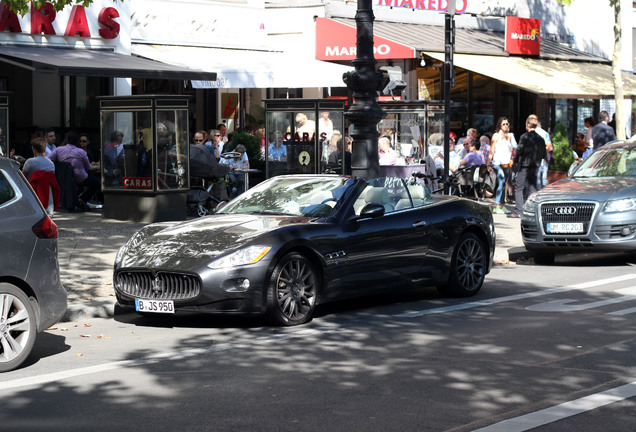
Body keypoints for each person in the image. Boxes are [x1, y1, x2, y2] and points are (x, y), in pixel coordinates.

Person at [48, 130, 100, 209]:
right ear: (77, 142)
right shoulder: (81, 152)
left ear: (67, 140)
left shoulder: (58, 150)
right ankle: (82, 199)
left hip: (64, 178)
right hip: (79, 178)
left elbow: (47, 159)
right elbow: (88, 167)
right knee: (97, 182)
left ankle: (77, 199)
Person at [509, 115, 547, 219]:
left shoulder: (524, 137)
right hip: (535, 165)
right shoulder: (540, 138)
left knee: (518, 187)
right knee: (532, 188)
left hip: (525, 165)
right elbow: (544, 154)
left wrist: (515, 161)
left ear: (528, 125)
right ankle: (532, 212)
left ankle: (518, 211)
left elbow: (519, 150)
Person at [22, 137, 59, 215]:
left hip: (31, 196)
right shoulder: (51, 164)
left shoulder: (30, 162)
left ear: (34, 149)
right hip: (47, 199)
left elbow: (22, 178)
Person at [489, 116, 515, 214]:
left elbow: (511, 149)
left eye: (507, 124)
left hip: (506, 163)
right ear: (499, 125)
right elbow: (492, 150)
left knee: (504, 183)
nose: (505, 126)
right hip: (497, 163)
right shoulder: (496, 136)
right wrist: (488, 163)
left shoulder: (509, 136)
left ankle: (502, 205)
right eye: (503, 124)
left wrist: (512, 159)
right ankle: (496, 205)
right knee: (501, 181)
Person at [529, 115, 552, 191]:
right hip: (542, 160)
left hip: (537, 160)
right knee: (542, 179)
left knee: (539, 180)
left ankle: (543, 193)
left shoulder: (534, 133)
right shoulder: (545, 133)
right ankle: (547, 193)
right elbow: (550, 147)